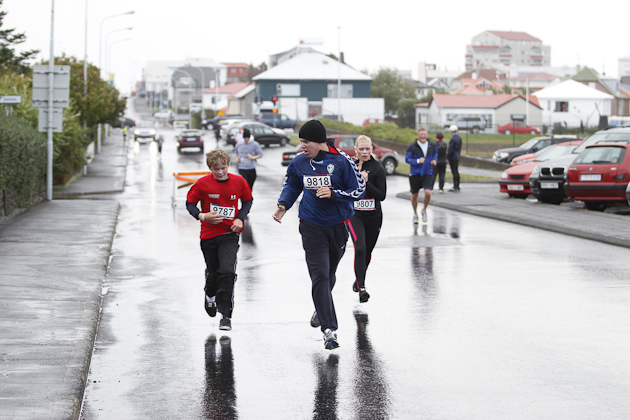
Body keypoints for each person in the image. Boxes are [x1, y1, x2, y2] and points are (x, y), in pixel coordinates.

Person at [272, 119, 365, 350]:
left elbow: (358, 190)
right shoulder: (299, 162)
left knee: (329, 275)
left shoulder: (342, 161)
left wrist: (334, 194)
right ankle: (329, 330)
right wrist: (284, 205)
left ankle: (320, 308)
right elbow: (292, 185)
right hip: (311, 225)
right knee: (320, 275)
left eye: (306, 142)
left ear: (319, 141)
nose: (302, 146)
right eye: (301, 142)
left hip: (337, 226)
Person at [186, 149, 253, 332]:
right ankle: (209, 295)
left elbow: (247, 201)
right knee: (214, 273)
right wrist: (202, 215)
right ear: (210, 168)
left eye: (223, 168)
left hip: (229, 234)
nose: (221, 172)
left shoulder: (239, 182)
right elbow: (189, 204)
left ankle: (225, 315)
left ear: (228, 166)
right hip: (208, 235)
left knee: (228, 272)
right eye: (216, 169)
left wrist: (240, 218)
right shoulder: (202, 184)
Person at [347, 135, 386, 303]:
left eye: (367, 149)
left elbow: (381, 196)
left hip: (374, 216)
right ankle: (362, 288)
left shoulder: (377, 168)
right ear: (355, 150)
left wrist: (366, 182)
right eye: (361, 149)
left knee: (367, 252)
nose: (364, 152)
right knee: (360, 248)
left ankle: (359, 278)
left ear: (372, 149)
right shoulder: (350, 167)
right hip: (355, 215)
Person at [405, 127, 438, 224]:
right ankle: (415, 214)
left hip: (428, 172)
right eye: (421, 134)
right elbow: (407, 159)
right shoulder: (412, 146)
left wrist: (434, 159)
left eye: (425, 134)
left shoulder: (432, 145)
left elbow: (436, 153)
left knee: (428, 192)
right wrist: (417, 161)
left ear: (427, 135)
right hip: (415, 173)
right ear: (418, 135)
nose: (423, 136)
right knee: (415, 195)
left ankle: (424, 210)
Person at [447, 124, 462, 192]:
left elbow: (451, 149)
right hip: (457, 156)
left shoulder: (453, 139)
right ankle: (457, 185)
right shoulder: (459, 138)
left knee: (454, 171)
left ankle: (455, 186)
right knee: (456, 171)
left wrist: (447, 157)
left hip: (452, 157)